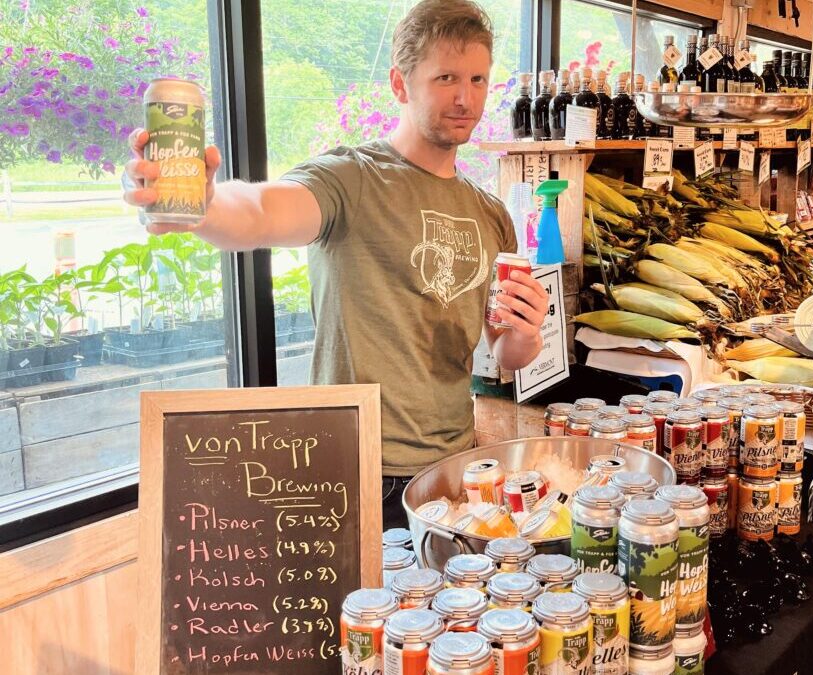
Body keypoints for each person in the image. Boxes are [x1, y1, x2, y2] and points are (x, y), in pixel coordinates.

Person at [123, 0, 549, 529]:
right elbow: (260, 211)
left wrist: (529, 333)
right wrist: (200, 205)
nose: (466, 98)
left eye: (479, 79)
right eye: (446, 77)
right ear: (400, 83)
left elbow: (504, 351)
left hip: (456, 471)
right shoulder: (352, 178)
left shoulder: (490, 212)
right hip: (357, 467)